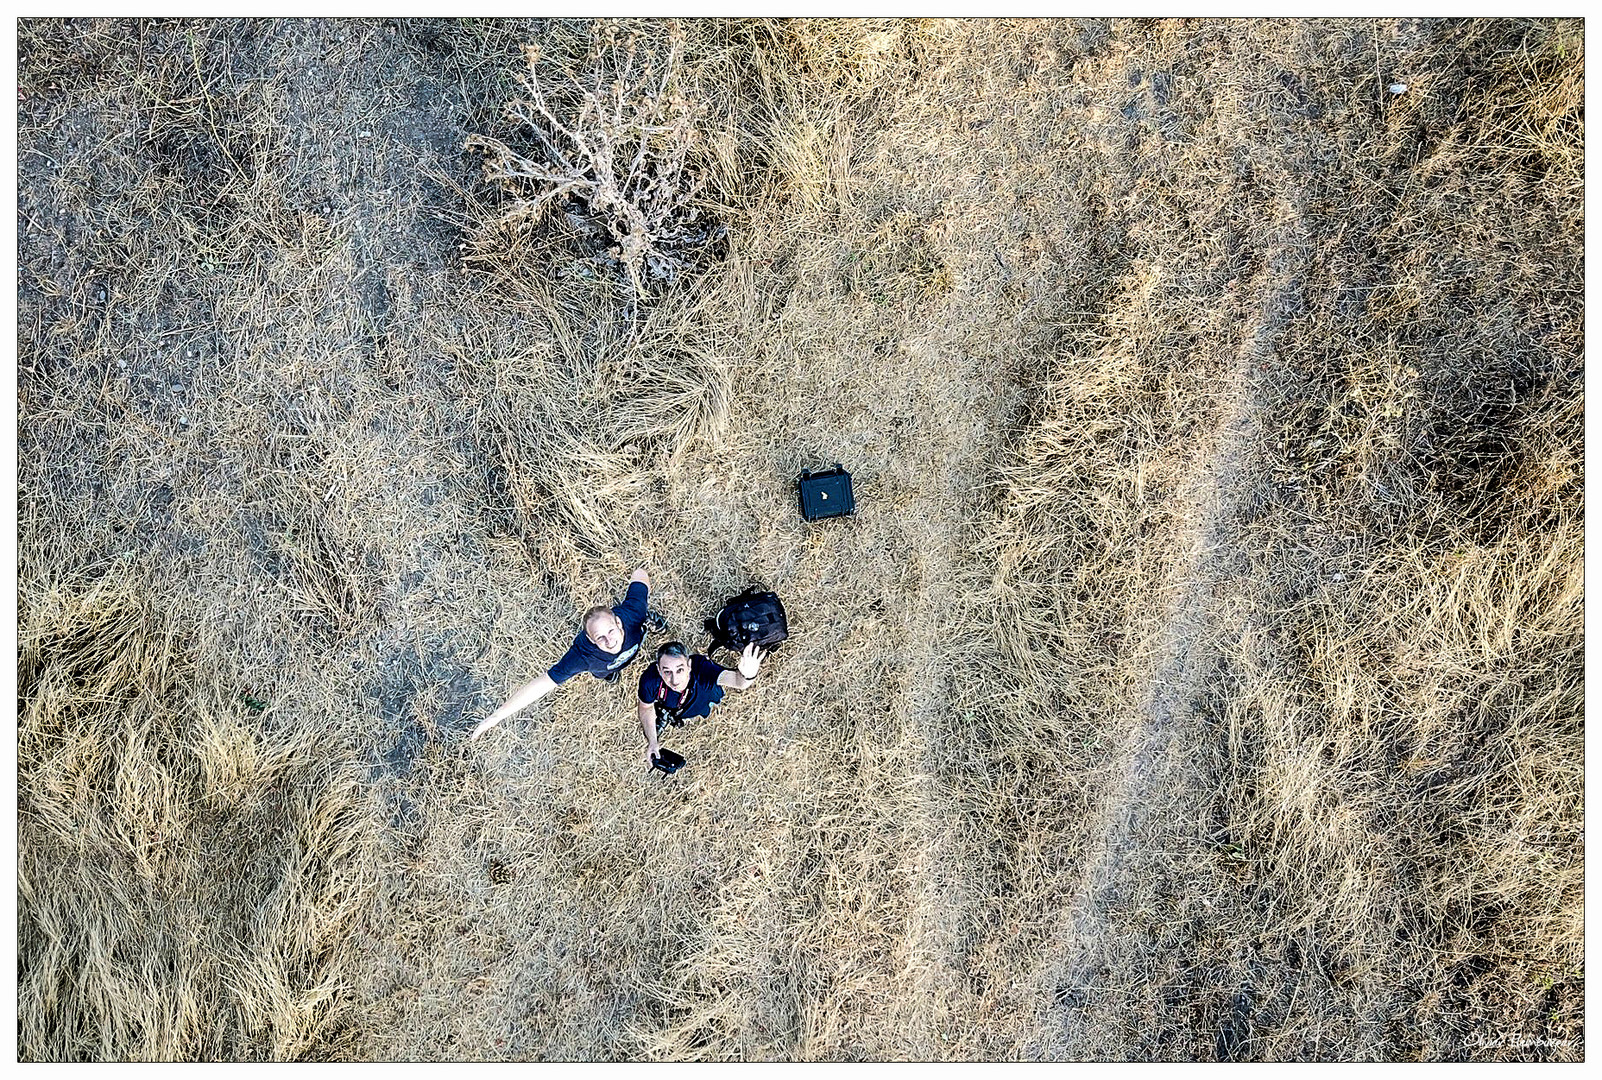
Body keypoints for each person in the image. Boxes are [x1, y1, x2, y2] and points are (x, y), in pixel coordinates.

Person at [470, 568, 668, 741]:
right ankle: (609, 675)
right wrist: (497, 716)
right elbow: (543, 683)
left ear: (618, 622)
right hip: (602, 668)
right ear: (591, 640)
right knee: (605, 673)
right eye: (600, 638)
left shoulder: (634, 612)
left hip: (633, 636)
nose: (609, 641)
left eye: (610, 631)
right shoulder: (582, 656)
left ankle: (622, 659)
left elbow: (640, 574)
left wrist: (641, 579)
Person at [638, 640, 764, 768]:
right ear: (659, 670)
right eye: (667, 672)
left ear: (689, 665)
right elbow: (646, 707)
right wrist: (653, 742)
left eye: (680, 670)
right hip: (672, 706)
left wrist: (748, 675)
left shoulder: (702, 669)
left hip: (702, 699)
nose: (674, 680)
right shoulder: (650, 680)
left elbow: (738, 682)